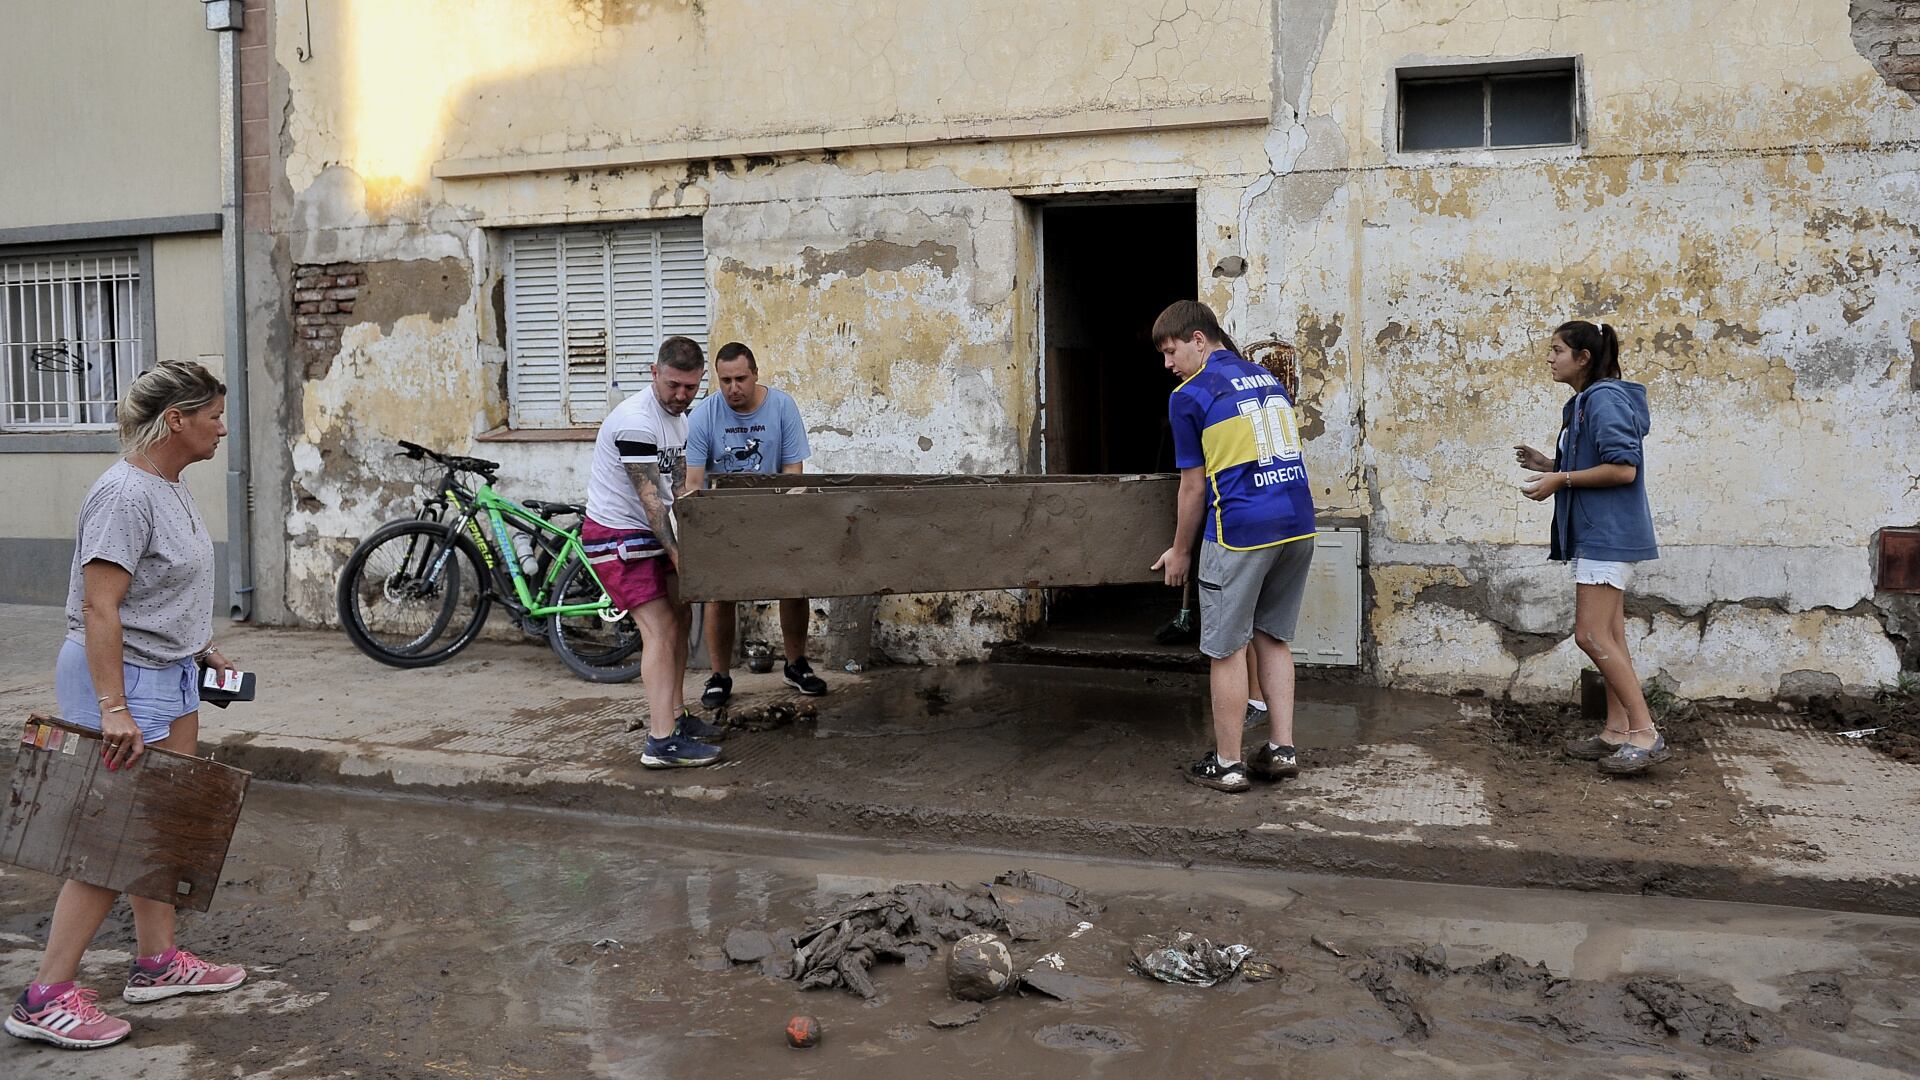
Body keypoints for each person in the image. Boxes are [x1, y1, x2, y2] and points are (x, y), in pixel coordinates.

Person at [8, 361, 248, 1050]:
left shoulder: (169, 486)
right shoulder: (122, 495)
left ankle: (157, 961)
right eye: (213, 417)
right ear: (176, 421)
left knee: (161, 827)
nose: (222, 429)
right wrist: (113, 707)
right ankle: (44, 995)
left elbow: (158, 592)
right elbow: (100, 607)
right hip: (120, 680)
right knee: (108, 841)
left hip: (168, 672)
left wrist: (199, 647)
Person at [1149, 301, 1317, 793]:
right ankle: (1282, 749)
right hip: (1298, 524)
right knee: (1274, 638)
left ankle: (1227, 763)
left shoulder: (1189, 394)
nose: (1168, 364)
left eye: (1171, 350)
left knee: (1225, 650)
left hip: (1241, 532)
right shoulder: (1267, 379)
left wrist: (1181, 552)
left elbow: (1194, 488)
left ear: (1199, 340)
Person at [1515, 320, 1663, 775]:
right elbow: (1595, 461)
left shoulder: (1603, 399)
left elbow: (1623, 469)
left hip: (1607, 533)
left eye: (1557, 350)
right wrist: (1552, 464)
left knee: (1591, 635)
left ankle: (1645, 733)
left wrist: (1561, 479)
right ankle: (1616, 731)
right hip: (1597, 532)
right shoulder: (1582, 403)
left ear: (1583, 358)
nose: (1549, 358)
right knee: (1612, 635)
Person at [583, 335, 726, 767]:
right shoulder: (635, 422)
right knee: (661, 629)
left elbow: (679, 491)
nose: (682, 396)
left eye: (691, 388)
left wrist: (704, 543)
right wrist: (682, 557)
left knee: (681, 616)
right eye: (673, 386)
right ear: (653, 374)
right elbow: (651, 504)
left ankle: (676, 718)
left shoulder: (680, 420)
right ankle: (660, 742)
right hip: (618, 537)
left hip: (647, 533)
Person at [682, 342, 829, 709]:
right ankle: (720, 676)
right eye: (725, 380)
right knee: (720, 594)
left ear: (756, 374)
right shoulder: (703, 416)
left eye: (741, 379)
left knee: (794, 586)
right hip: (725, 521)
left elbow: (794, 474)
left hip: (775, 515)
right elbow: (694, 483)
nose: (733, 387)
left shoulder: (782, 407)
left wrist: (781, 519)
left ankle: (796, 665)